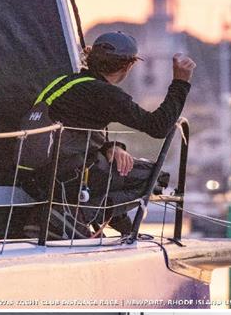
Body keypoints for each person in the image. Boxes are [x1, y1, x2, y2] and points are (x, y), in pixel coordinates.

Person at [20, 31, 196, 235]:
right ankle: (73, 216)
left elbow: (73, 126)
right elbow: (158, 127)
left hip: (38, 178)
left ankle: (121, 229)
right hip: (67, 179)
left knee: (120, 169)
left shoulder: (65, 83)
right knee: (153, 176)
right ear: (127, 66)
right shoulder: (105, 94)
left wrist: (111, 147)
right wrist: (181, 83)